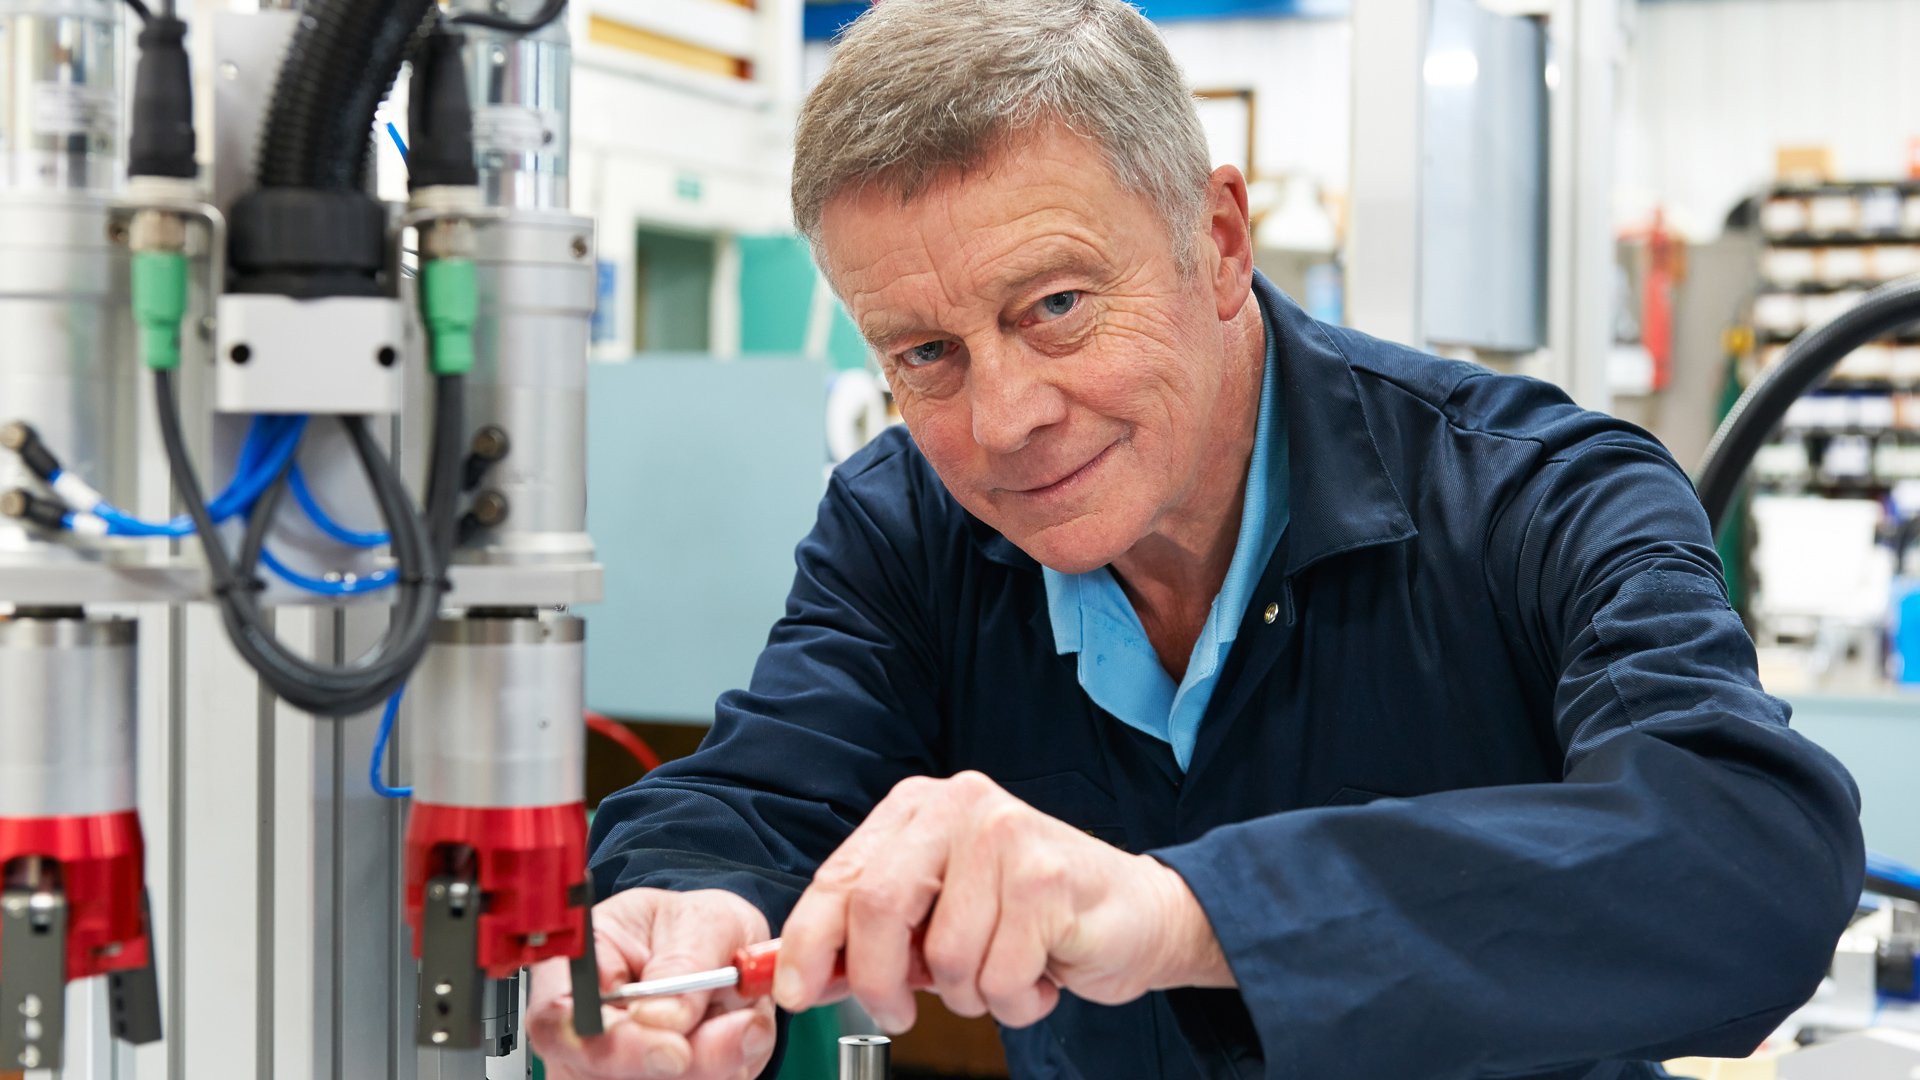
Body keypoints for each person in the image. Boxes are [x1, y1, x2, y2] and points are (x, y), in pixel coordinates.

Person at [528, 1, 1864, 1077]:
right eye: (926, 353)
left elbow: (1746, 864)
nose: (1003, 419)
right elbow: (758, 790)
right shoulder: (906, 523)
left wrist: (1184, 917)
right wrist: (686, 909)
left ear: (1217, 240)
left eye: (1054, 305)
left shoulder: (1537, 498)